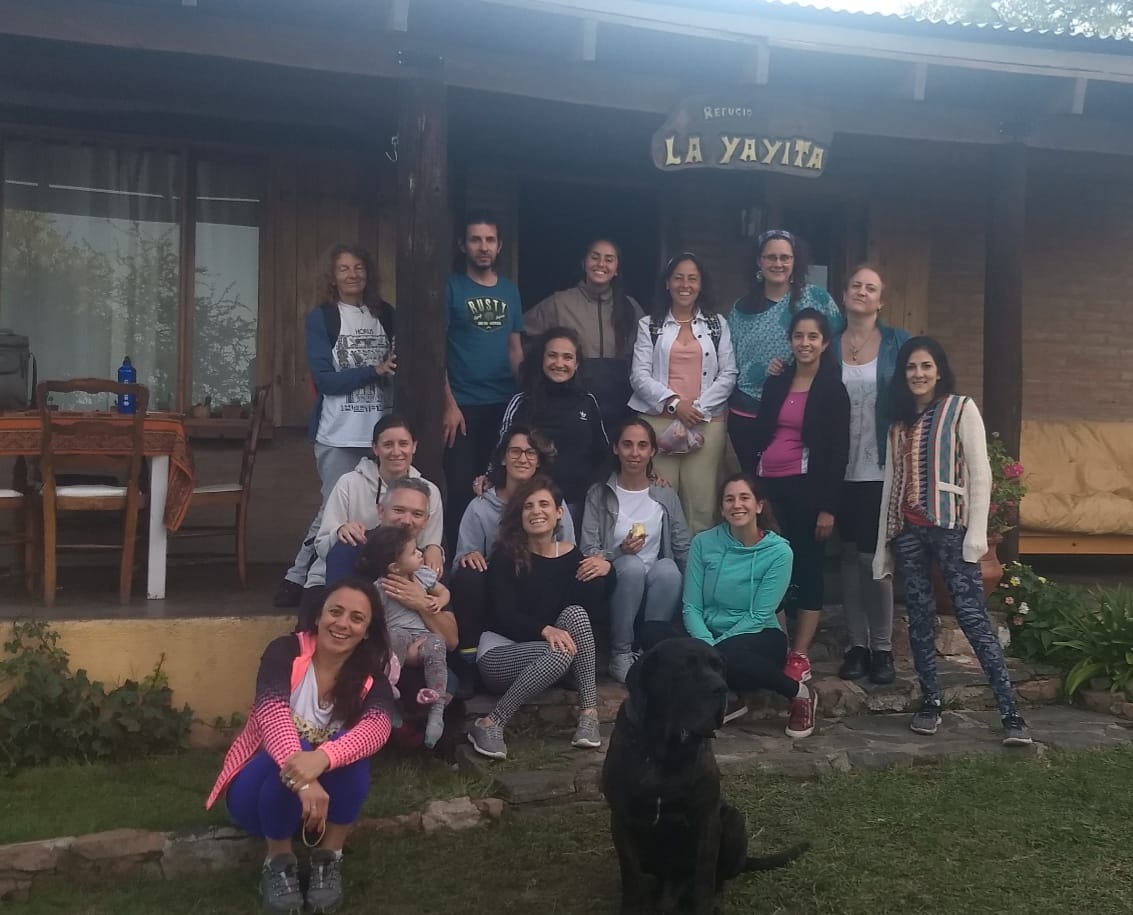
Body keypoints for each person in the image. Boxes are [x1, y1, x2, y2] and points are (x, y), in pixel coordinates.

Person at [873, 337, 1032, 746]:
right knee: (920, 619)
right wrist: (883, 546)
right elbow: (891, 484)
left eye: (925, 366)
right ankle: (930, 702)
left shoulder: (961, 408)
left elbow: (981, 473)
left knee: (972, 616)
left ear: (939, 370)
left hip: (950, 529)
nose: (918, 374)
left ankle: (1010, 713)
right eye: (911, 367)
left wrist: (976, 536)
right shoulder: (897, 424)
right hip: (907, 532)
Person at [206, 579, 396, 914]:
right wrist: (304, 778)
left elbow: (377, 728)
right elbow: (271, 714)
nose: (342, 624)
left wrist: (324, 757)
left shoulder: (371, 678)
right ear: (319, 616)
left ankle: (329, 856)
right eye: (335, 612)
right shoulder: (284, 652)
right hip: (255, 797)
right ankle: (278, 861)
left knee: (353, 753)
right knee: (294, 747)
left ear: (367, 631)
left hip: (320, 806)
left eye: (356, 618)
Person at [275, 245, 397, 608]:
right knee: (332, 508)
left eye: (359, 267)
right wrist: (374, 370)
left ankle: (367, 577)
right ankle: (304, 579)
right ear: (332, 276)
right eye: (344, 268)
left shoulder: (387, 314)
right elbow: (326, 380)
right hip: (339, 431)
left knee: (385, 505)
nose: (352, 274)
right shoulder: (323, 318)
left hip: (381, 430)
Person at [469, 476, 613, 760]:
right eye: (528, 506)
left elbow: (593, 604)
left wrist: (608, 569)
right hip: (499, 653)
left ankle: (589, 715)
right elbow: (503, 616)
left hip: (547, 655)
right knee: (560, 653)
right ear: (520, 515)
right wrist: (544, 630)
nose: (536, 511)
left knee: (576, 614)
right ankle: (489, 723)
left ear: (559, 512)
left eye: (544, 504)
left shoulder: (571, 555)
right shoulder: (506, 556)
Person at [751, 308, 849, 685]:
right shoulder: (777, 383)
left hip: (808, 489)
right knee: (770, 565)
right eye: (798, 336)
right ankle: (780, 646)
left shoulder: (832, 390)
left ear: (824, 343)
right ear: (790, 340)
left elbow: (838, 452)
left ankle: (801, 654)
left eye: (812, 337)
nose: (804, 343)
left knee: (807, 567)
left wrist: (828, 507)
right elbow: (761, 432)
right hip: (769, 487)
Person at [682, 474, 817, 739]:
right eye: (729, 499)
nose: (737, 505)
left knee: (726, 657)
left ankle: (799, 693)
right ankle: (730, 698)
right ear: (722, 508)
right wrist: (707, 643)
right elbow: (691, 606)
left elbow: (759, 614)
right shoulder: (702, 543)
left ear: (759, 506)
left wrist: (712, 650)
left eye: (744, 497)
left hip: (757, 635)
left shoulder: (779, 552)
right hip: (709, 632)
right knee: (655, 635)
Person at [831, 265, 910, 685]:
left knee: (875, 558)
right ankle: (856, 646)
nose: (862, 292)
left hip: (881, 466)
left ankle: (882, 648)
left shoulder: (899, 343)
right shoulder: (828, 342)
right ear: (844, 295)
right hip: (836, 467)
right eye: (856, 285)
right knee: (847, 556)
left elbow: (921, 387)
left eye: (871, 287)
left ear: (881, 300)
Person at [628, 252, 737, 534]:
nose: (685, 285)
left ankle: (696, 560)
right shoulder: (649, 325)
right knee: (659, 498)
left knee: (701, 503)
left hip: (706, 423)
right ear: (667, 283)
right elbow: (639, 375)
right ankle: (662, 558)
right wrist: (676, 404)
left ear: (701, 284)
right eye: (678, 278)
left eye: (692, 279)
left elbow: (729, 373)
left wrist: (697, 408)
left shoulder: (717, 324)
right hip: (658, 423)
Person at [580, 416, 690, 683]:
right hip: (617, 584)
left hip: (656, 588)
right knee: (631, 566)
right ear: (616, 448)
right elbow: (588, 549)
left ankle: (649, 651)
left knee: (669, 569)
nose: (635, 453)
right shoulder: (599, 493)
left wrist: (695, 597)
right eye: (627, 445)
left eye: (642, 446)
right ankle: (620, 654)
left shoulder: (664, 493)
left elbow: (682, 546)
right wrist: (620, 552)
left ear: (652, 451)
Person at [450, 426, 574, 661]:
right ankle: (469, 656)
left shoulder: (553, 502)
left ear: (539, 461)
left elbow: (568, 550)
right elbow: (459, 562)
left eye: (530, 453)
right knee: (468, 574)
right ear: (503, 458)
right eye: (515, 451)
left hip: (542, 588)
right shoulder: (480, 506)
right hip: (498, 591)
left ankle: (568, 648)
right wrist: (469, 556)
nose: (522, 459)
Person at [727, 229, 843, 474]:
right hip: (747, 413)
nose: (778, 264)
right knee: (754, 485)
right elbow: (729, 361)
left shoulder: (816, 299)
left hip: (799, 412)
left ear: (794, 261)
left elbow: (836, 343)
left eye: (785, 257)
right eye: (771, 257)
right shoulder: (740, 310)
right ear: (759, 261)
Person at [443, 212, 524, 552]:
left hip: (502, 405)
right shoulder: (451, 287)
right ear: (463, 245)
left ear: (499, 245)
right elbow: (436, 349)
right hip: (462, 408)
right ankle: (460, 561)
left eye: (489, 240)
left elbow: (515, 348)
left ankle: (498, 557)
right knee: (461, 487)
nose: (483, 247)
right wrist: (448, 405)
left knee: (498, 486)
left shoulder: (509, 291)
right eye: (475, 240)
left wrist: (524, 398)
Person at [309, 414, 444, 621]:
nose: (396, 452)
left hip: (404, 576)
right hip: (345, 570)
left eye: (404, 444)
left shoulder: (429, 491)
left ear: (414, 447)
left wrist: (434, 548)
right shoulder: (349, 483)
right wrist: (339, 531)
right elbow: (322, 547)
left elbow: (428, 544)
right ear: (375, 448)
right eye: (388, 444)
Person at [524, 238, 644, 433]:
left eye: (609, 259)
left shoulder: (631, 307)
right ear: (584, 263)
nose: (601, 264)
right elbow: (521, 335)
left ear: (617, 269)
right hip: (572, 406)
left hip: (620, 408)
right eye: (595, 257)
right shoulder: (559, 303)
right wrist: (532, 381)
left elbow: (648, 353)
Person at [496, 327, 609, 530]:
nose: (559, 363)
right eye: (552, 355)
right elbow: (502, 451)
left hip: (578, 506)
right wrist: (489, 477)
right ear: (541, 359)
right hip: (531, 508)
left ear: (577, 364)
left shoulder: (587, 401)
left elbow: (603, 453)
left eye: (567, 357)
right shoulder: (522, 402)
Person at [358, 526, 456, 749]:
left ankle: (437, 708)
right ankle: (387, 695)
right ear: (394, 567)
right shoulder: (382, 588)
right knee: (396, 637)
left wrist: (438, 601)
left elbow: (444, 592)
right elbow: (373, 620)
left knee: (437, 644)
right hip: (398, 637)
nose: (420, 553)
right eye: (413, 553)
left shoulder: (423, 575)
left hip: (423, 637)